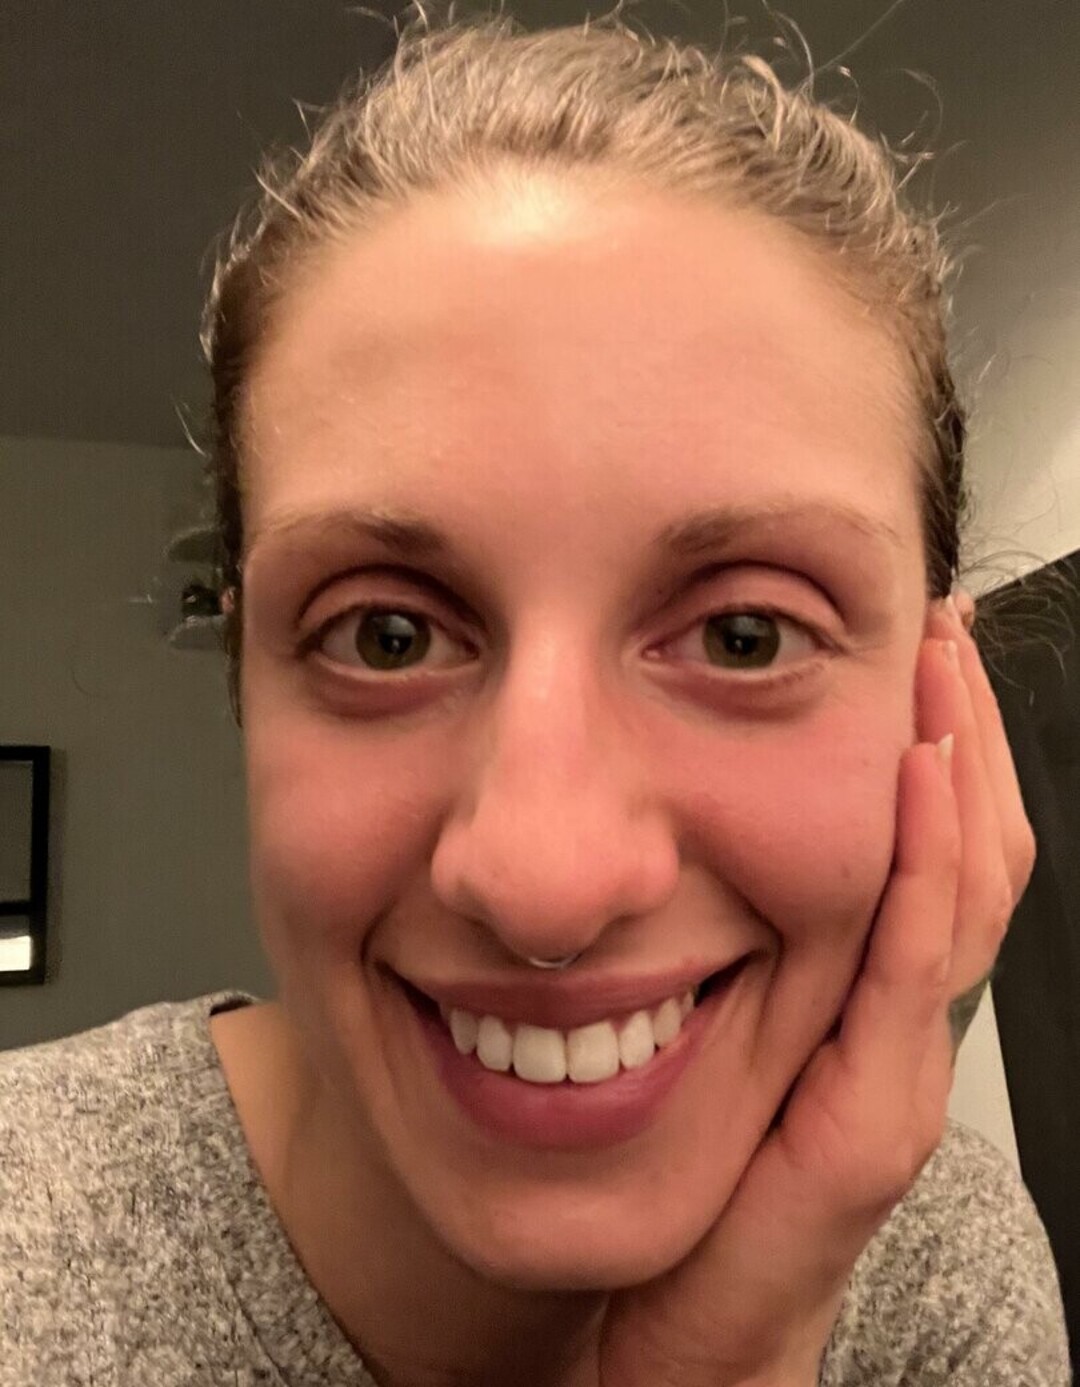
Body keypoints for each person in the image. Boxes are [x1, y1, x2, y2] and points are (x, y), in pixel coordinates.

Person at [0, 11, 1071, 1386]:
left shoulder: (950, 1280)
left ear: (941, 713)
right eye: (388, 637)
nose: (546, 884)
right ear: (245, 689)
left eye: (745, 636)